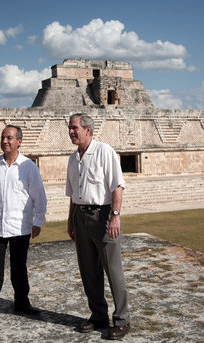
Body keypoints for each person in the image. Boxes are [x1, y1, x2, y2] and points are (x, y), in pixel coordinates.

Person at [66, 113, 130, 340]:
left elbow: (117, 186)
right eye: (70, 128)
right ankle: (98, 315)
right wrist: (70, 220)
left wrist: (115, 216)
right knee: (88, 271)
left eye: (74, 128)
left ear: (87, 129)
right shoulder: (73, 159)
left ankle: (122, 319)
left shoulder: (104, 151)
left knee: (113, 270)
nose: (71, 132)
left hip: (103, 215)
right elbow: (73, 195)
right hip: (80, 217)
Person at [0, 125, 47, 321]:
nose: (5, 141)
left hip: (19, 225)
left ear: (19, 142)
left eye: (9, 138)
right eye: (3, 138)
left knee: (19, 267)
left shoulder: (28, 167)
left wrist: (37, 221)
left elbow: (38, 196)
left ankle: (22, 303)